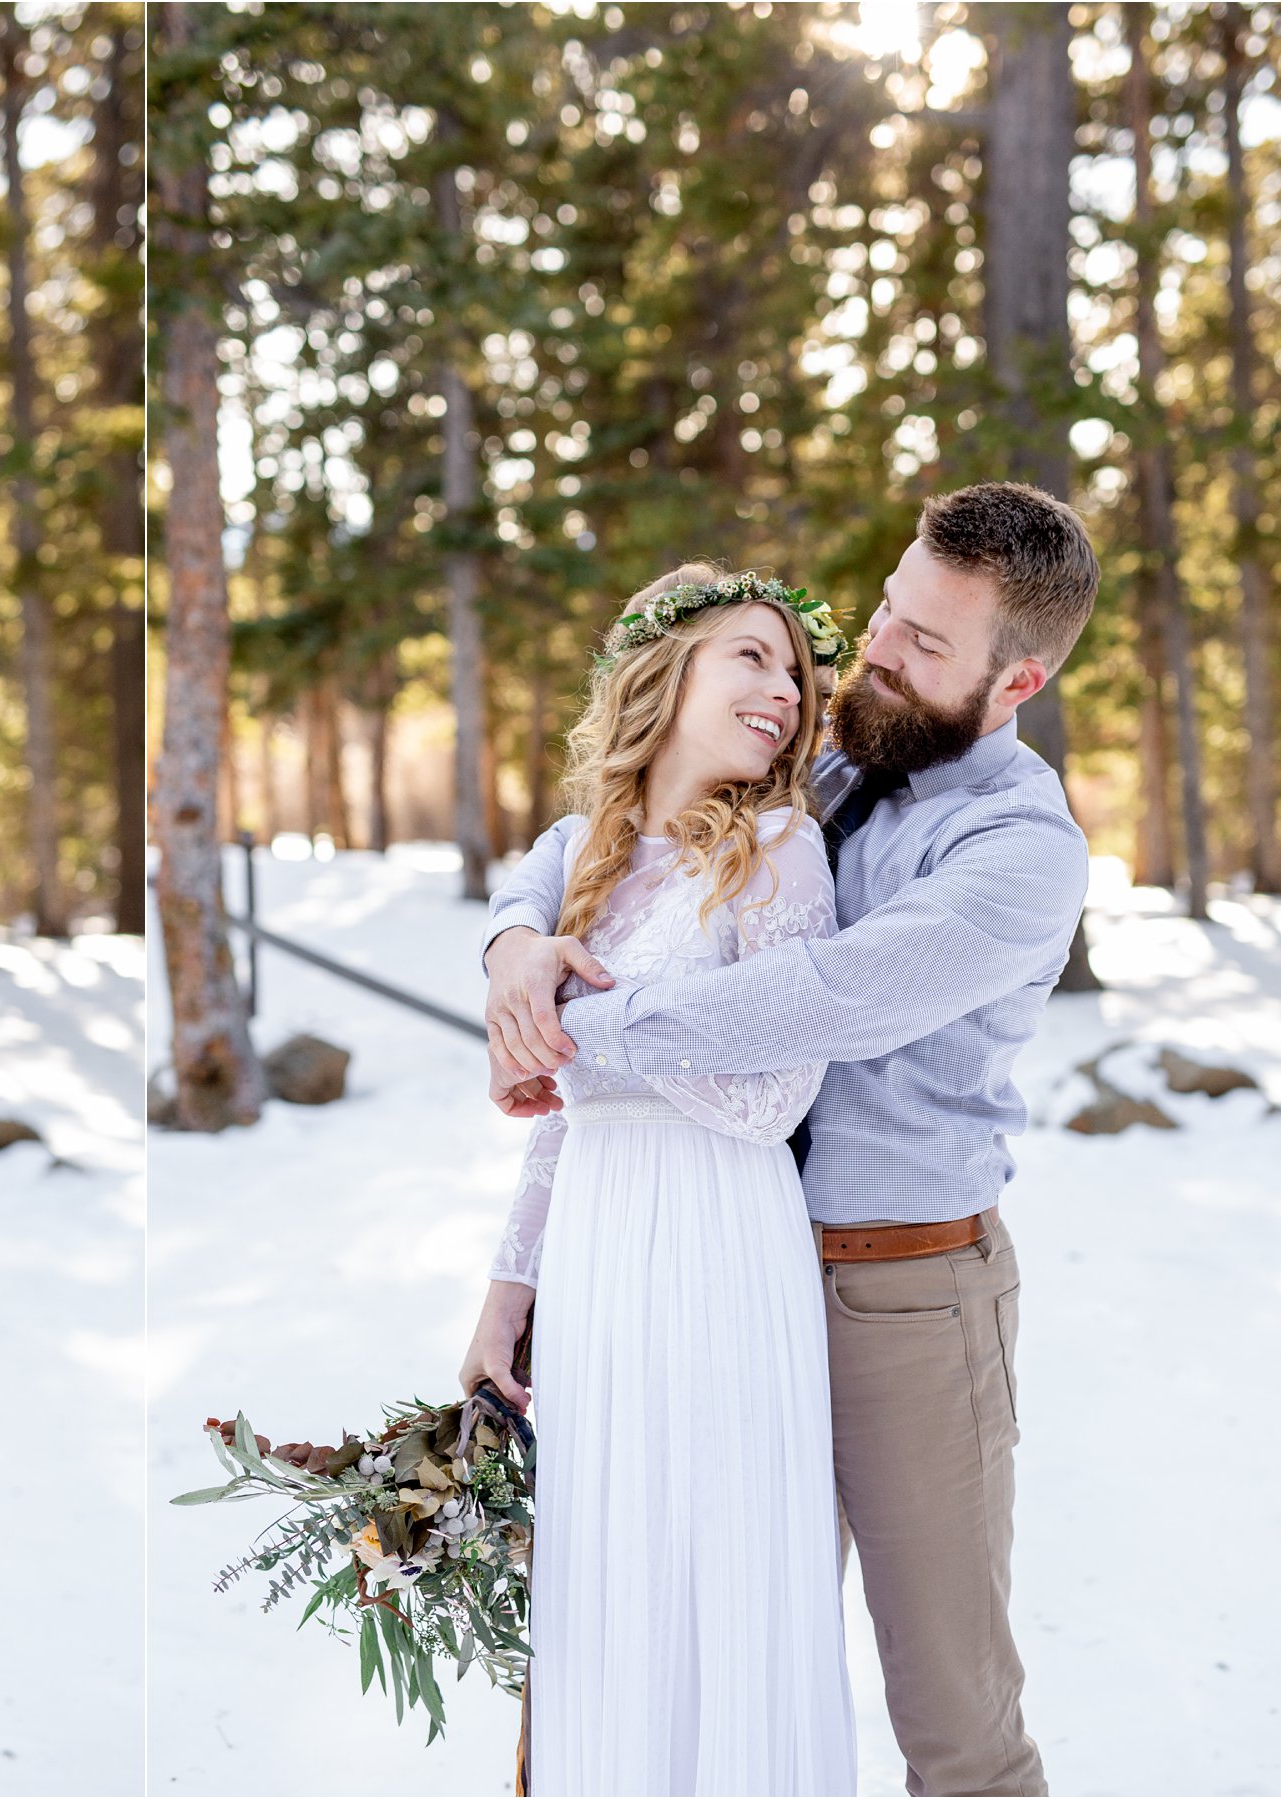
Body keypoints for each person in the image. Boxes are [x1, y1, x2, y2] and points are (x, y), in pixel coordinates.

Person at [483, 481, 1099, 1798]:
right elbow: (600, 832)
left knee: (951, 1713)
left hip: (901, 1296)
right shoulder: (834, 759)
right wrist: (515, 943)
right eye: (885, 610)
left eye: (923, 645)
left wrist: (580, 1029)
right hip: (720, 1277)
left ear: (1016, 679)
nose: (870, 652)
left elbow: (818, 998)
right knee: (699, 1653)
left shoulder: (1016, 850)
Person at [459, 565, 857, 1794]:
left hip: (719, 1237)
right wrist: (505, 1285)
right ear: (663, 669)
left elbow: (774, 1096)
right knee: (609, 1565)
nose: (782, 688)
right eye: (749, 655)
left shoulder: (778, 854)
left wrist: (605, 1019)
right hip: (597, 1246)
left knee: (716, 1560)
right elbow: (559, 1122)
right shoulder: (584, 858)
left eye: (793, 670)